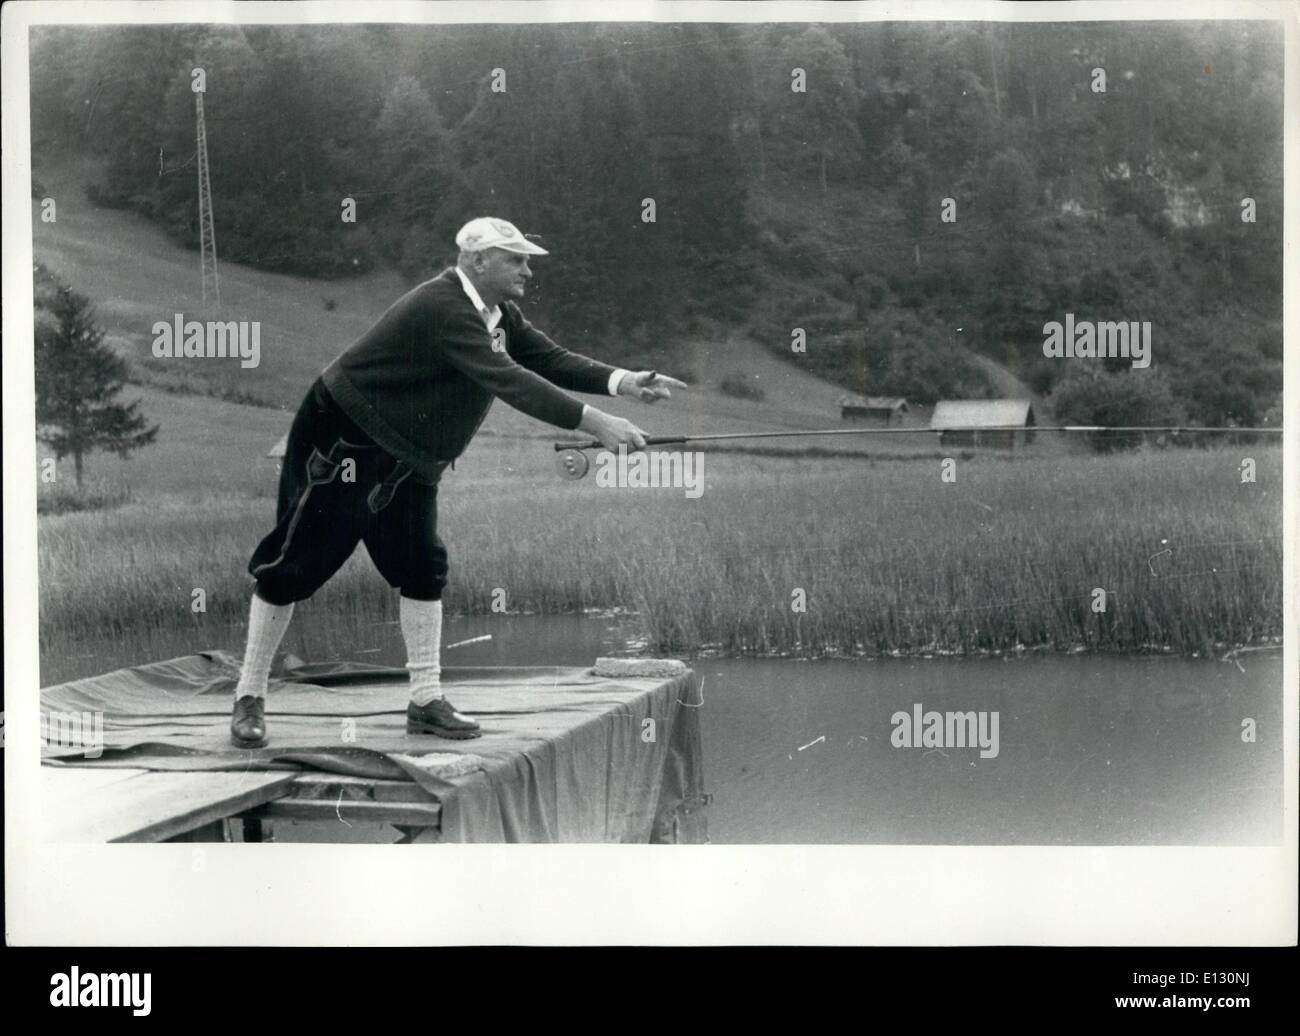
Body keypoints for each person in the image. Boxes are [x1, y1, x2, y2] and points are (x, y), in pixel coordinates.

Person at [229, 217, 686, 747]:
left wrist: (625, 382)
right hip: (345, 441)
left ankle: (425, 701)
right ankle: (249, 696)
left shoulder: (498, 315)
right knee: (293, 567)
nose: (527, 268)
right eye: (514, 258)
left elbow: (546, 358)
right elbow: (509, 378)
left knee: (423, 567)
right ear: (475, 260)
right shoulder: (443, 306)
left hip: (411, 456)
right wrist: (597, 422)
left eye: (527, 258)